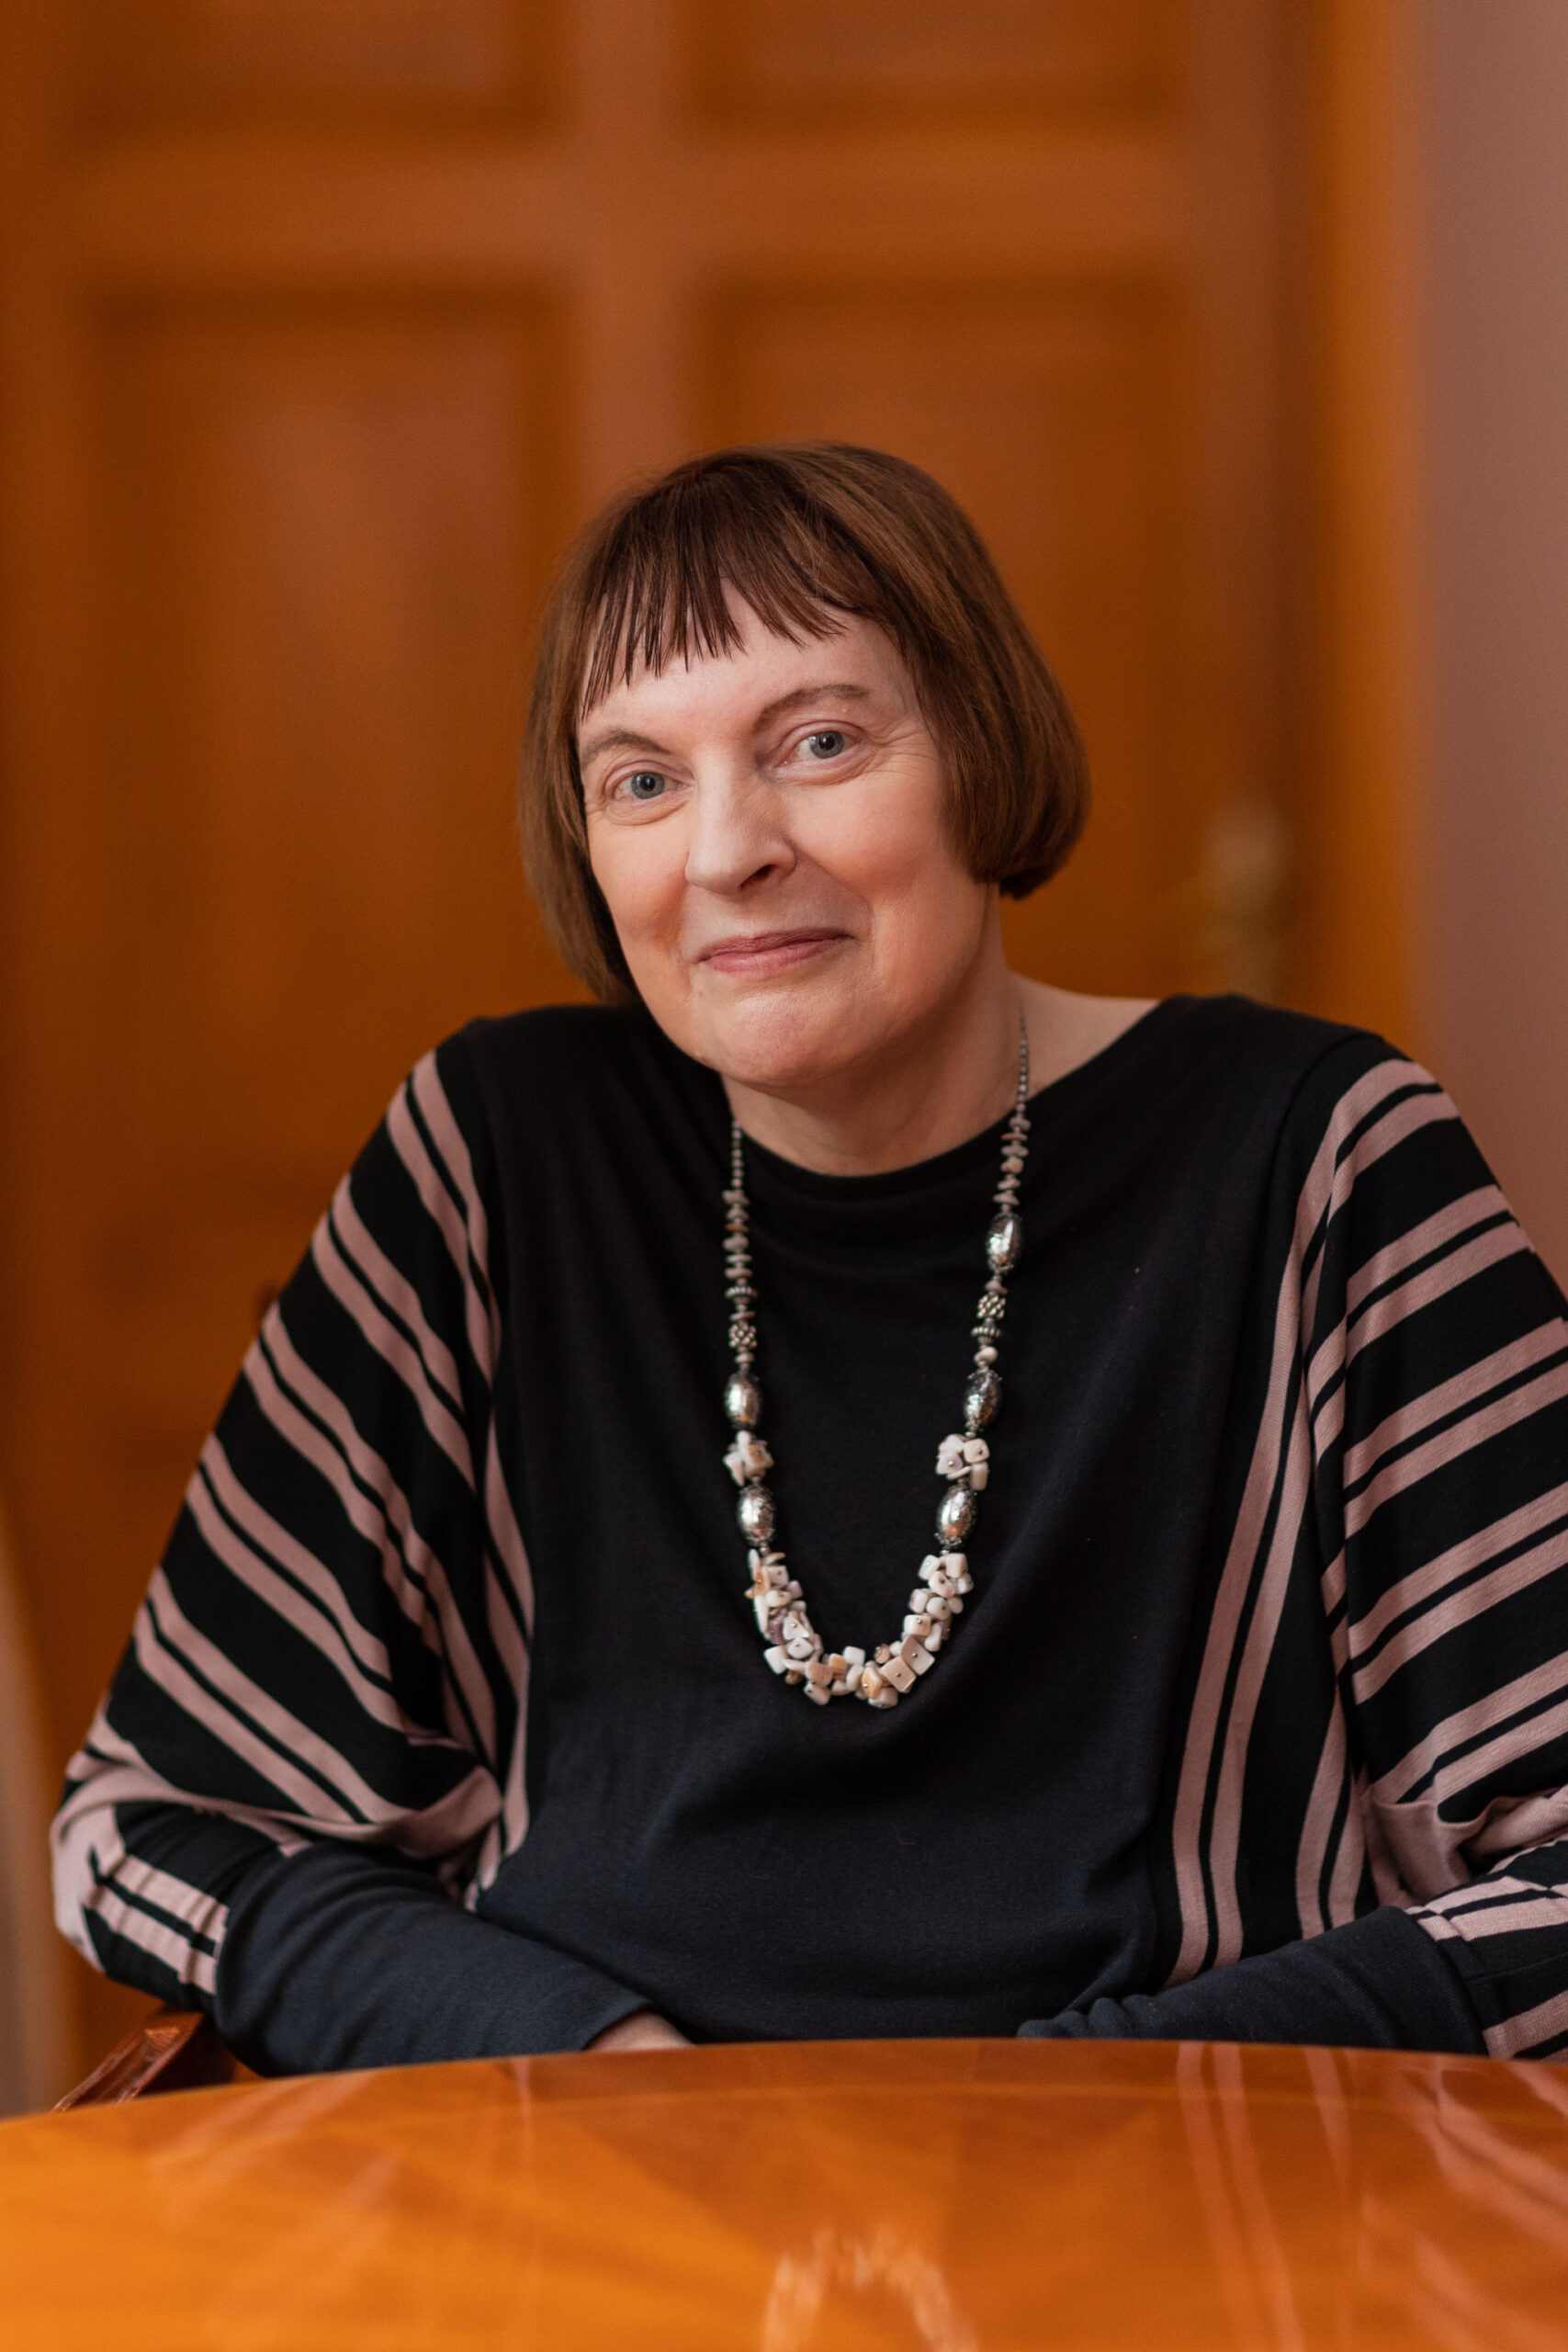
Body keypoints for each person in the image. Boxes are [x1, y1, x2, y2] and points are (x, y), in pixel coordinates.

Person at [52, 444, 1568, 2072]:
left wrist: (1099, 2105)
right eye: (642, 781)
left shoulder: (1317, 1159)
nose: (728, 852)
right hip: (585, 2188)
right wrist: (596, 2064)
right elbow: (150, 1824)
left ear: (981, 753)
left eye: (820, 744)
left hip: (1175, 2184)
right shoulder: (497, 1158)